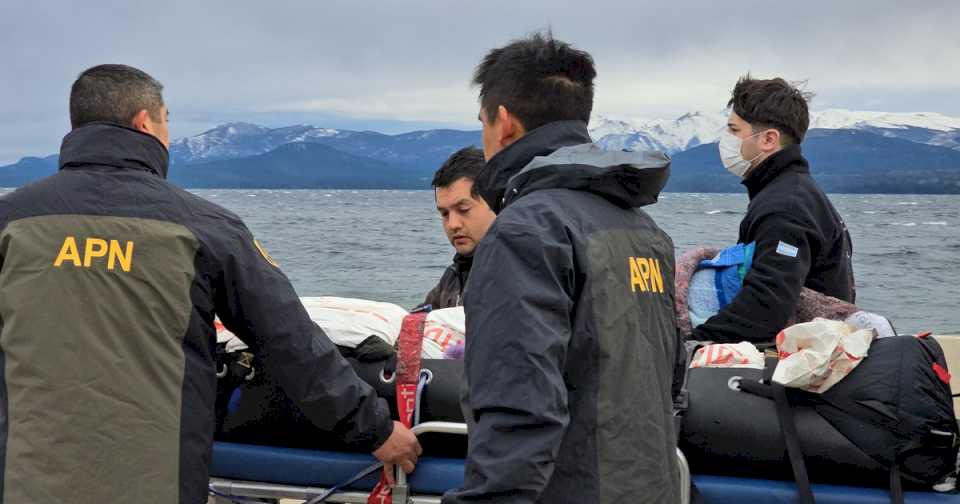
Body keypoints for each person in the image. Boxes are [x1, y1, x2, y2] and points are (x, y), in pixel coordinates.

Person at [0, 64, 420, 504]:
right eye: (166, 121)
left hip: (25, 482)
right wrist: (371, 426)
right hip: (158, 483)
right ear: (145, 122)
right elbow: (290, 342)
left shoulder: (12, 222)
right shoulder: (204, 227)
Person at [442, 33, 680, 503]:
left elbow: (519, 410)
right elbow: (667, 383)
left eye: (483, 124)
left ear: (504, 124)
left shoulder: (525, 231)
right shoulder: (644, 230)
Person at [690, 75, 855, 344]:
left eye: (733, 130)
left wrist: (690, 343)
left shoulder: (785, 207)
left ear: (768, 140)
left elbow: (766, 307)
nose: (726, 140)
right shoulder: (794, 192)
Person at [420, 147, 495, 310]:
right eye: (444, 213)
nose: (453, 224)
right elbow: (416, 323)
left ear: (496, 202)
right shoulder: (453, 276)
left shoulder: (519, 275)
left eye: (463, 210)